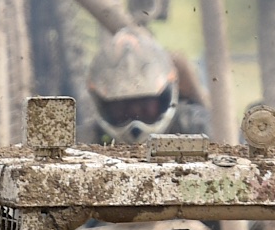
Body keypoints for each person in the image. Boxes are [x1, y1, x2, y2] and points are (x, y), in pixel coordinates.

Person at [82, 26, 210, 145]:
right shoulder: (85, 141)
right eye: (122, 110)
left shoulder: (196, 128)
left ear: (164, 98)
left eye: (145, 109)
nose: (135, 125)